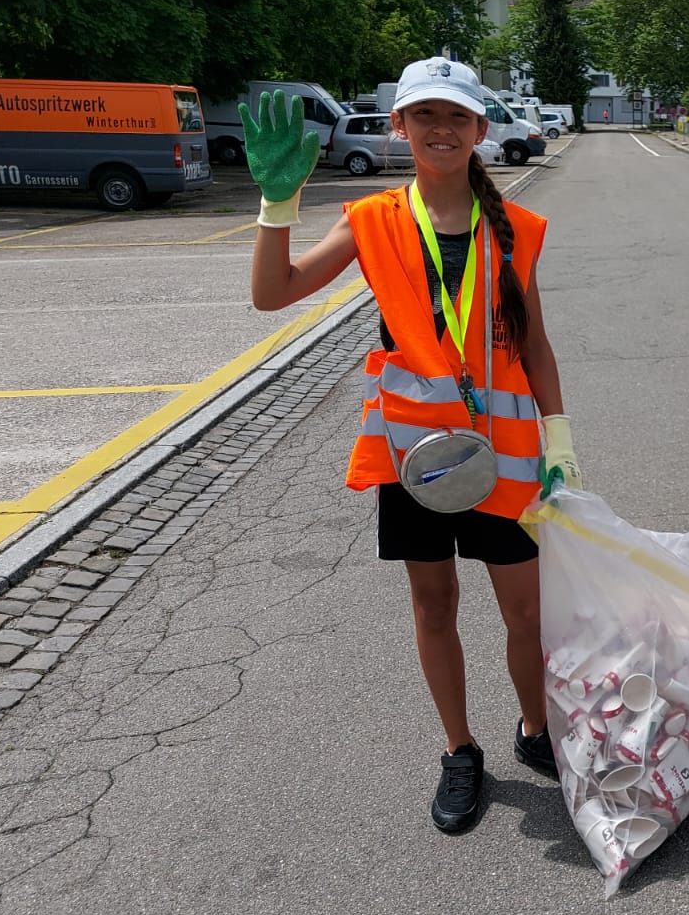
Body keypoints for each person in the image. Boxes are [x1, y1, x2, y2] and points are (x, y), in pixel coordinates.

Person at [246, 57, 583, 831]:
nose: (441, 129)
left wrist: (559, 433)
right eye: (425, 114)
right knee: (435, 607)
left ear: (480, 128)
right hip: (415, 457)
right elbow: (272, 293)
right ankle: (460, 750)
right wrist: (276, 205)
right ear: (399, 125)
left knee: (526, 613)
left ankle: (536, 729)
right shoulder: (372, 220)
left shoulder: (516, 229)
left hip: (505, 454)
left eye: (457, 116)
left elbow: (535, 344)